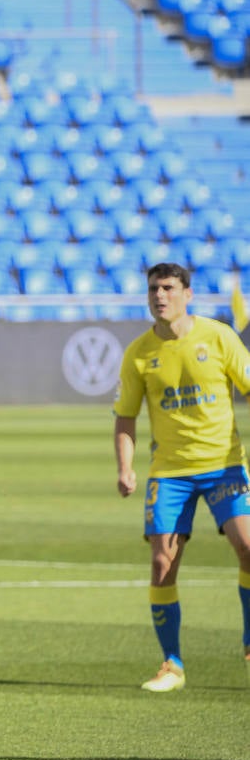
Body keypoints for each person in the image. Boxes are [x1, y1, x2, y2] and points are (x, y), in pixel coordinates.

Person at [113, 262, 250, 692]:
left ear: (187, 294)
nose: (160, 296)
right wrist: (125, 467)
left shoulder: (219, 337)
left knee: (249, 547)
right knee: (162, 565)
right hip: (170, 473)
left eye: (168, 288)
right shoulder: (139, 353)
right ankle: (171, 665)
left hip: (224, 465)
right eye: (154, 288)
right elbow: (125, 417)